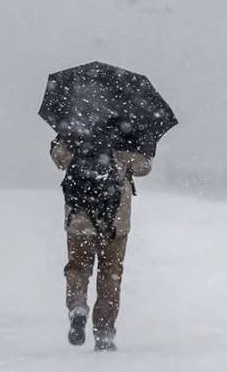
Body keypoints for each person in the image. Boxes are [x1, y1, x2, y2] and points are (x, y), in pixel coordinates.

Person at [50, 131, 153, 352]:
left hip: (80, 215)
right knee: (110, 272)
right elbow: (144, 167)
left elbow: (60, 159)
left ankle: (77, 306)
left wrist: (61, 142)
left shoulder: (76, 125)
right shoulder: (128, 128)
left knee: (77, 267)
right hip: (115, 218)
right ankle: (104, 332)